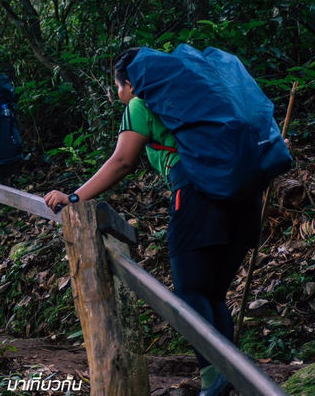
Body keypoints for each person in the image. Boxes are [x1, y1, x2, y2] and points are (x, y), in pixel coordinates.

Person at [44, 48, 263, 396]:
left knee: (190, 293)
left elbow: (121, 161)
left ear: (130, 84)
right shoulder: (201, 99)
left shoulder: (141, 104)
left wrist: (74, 197)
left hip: (195, 196)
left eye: (117, 87)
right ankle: (230, 375)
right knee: (212, 293)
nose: (118, 95)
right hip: (244, 197)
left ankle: (215, 375)